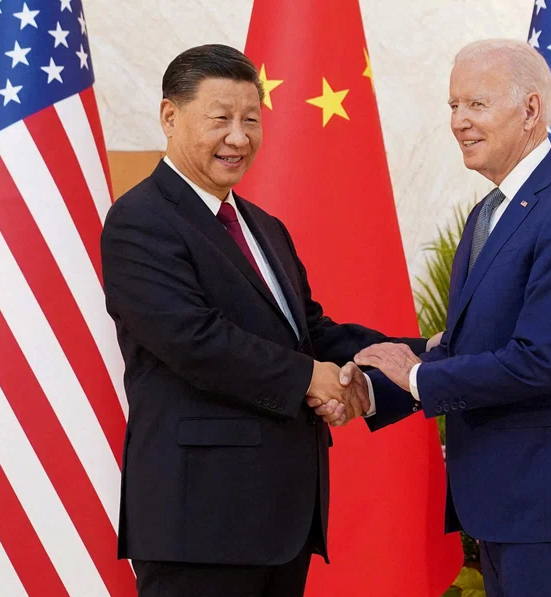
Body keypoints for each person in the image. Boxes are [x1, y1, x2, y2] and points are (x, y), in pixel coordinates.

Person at [100, 44, 426, 597]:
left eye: (251, 119)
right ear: (170, 116)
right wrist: (309, 378)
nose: (239, 136)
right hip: (198, 526)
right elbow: (194, 340)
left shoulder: (264, 226)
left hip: (281, 519)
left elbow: (310, 332)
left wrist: (411, 356)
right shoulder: (139, 221)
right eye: (220, 119)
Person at [350, 39, 551, 597]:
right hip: (502, 503)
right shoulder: (487, 213)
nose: (458, 122)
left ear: (529, 111)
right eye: (453, 106)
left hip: (550, 506)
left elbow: (539, 362)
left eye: (475, 105)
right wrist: (374, 391)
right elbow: (467, 344)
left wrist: (417, 376)